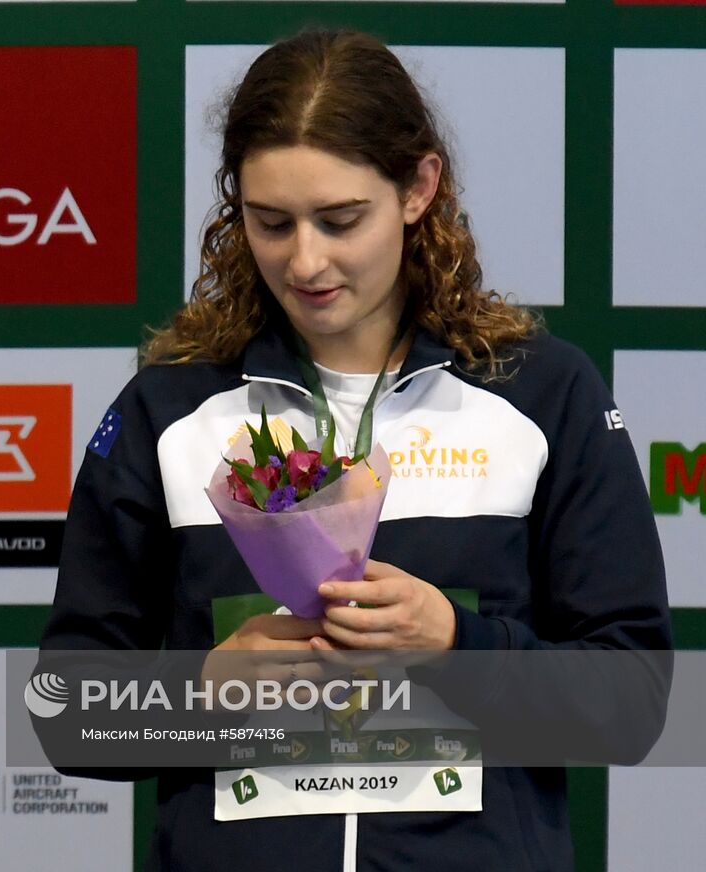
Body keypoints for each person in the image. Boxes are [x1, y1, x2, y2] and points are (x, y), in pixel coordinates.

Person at [40, 29, 671, 871]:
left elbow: (634, 705)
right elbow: (63, 713)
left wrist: (457, 645)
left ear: (419, 187)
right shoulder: (171, 408)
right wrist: (202, 696)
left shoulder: (541, 394)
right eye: (271, 223)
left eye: (341, 221)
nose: (306, 261)